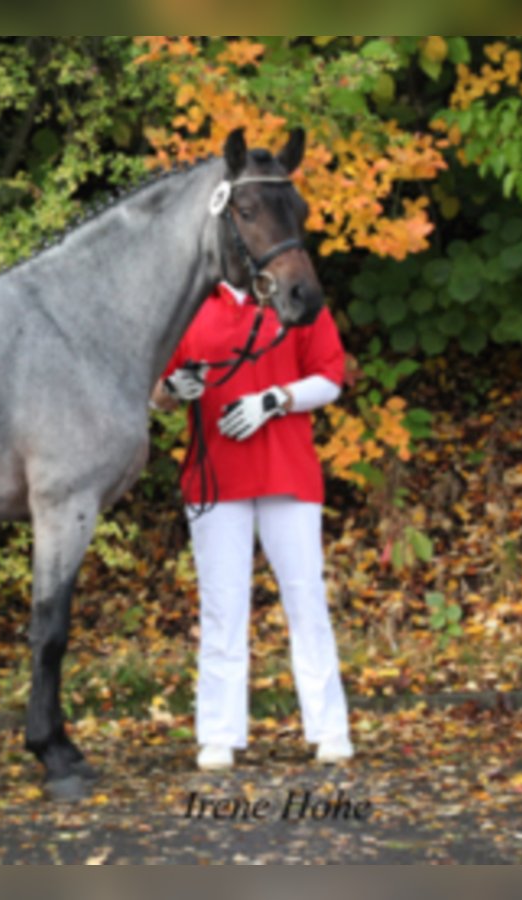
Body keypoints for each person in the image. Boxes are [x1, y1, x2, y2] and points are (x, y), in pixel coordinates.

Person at [152, 280, 353, 770]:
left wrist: (273, 400)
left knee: (306, 599)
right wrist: (173, 390)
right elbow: (156, 391)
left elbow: (330, 377)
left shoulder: (297, 296)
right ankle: (218, 735)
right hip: (214, 477)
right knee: (222, 607)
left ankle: (329, 729)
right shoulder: (190, 305)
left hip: (288, 473)